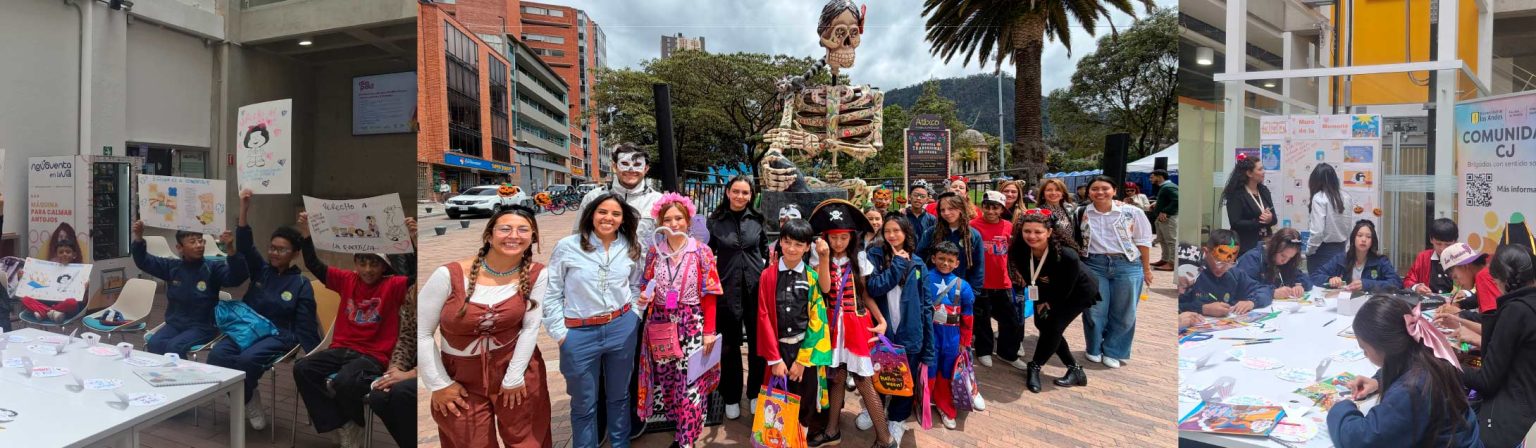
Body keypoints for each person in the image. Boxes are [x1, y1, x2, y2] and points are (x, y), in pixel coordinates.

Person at [422, 207, 552, 448]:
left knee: (528, 441)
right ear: (489, 235)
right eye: (505, 228)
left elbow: (530, 328)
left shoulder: (536, 274)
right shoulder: (448, 275)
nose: (514, 235)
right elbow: (422, 333)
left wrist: (513, 377)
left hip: (515, 368)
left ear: (532, 237)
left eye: (523, 230)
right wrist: (438, 384)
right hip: (459, 378)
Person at [293, 212, 416, 447]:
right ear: (355, 263)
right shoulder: (347, 279)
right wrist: (307, 234)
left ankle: (355, 422)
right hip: (340, 349)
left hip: (373, 356)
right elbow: (314, 265)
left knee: (345, 383)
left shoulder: (393, 285)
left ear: (384, 266)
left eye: (374, 263)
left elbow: (415, 277)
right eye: (363, 262)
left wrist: (413, 239)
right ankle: (342, 423)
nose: (368, 269)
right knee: (303, 369)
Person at [208, 189, 321, 430]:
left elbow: (306, 324)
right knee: (217, 356)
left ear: (295, 254)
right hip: (246, 329)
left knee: (246, 360)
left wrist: (313, 355)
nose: (274, 253)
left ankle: (244, 394)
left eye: (281, 250)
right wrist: (244, 209)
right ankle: (249, 398)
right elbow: (247, 247)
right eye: (272, 247)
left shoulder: (300, 284)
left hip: (279, 335)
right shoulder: (261, 270)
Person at [543, 194, 644, 447]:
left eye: (615, 214)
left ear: (622, 220)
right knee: (583, 403)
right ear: (591, 214)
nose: (608, 218)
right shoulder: (568, 245)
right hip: (579, 333)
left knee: (620, 396)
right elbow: (552, 292)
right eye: (602, 212)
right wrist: (560, 333)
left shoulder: (629, 246)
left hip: (621, 328)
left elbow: (634, 285)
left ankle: (621, 443)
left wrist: (634, 315)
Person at [579, 144, 664, 440]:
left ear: (646, 168)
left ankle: (631, 414)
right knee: (598, 360)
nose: (630, 169)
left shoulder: (658, 202)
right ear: (614, 165)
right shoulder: (594, 198)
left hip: (641, 294)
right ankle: (599, 417)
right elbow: (579, 240)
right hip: (598, 293)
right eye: (624, 163)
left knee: (632, 357)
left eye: (637, 164)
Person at [1326, 294, 1481, 447]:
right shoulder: (1427, 350)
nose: (1365, 354)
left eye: (1364, 348)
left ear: (1384, 347)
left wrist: (1341, 408)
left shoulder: (1412, 388)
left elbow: (1363, 440)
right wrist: (1377, 381)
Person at [635, 194, 723, 448]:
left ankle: (686, 439)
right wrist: (645, 296)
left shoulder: (701, 252)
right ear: (660, 222)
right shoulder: (654, 252)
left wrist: (709, 331)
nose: (674, 223)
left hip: (692, 324)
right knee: (669, 382)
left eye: (679, 218)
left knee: (691, 383)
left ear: (688, 221)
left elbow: (710, 294)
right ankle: (679, 429)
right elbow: (646, 283)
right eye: (668, 219)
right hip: (661, 324)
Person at [803, 199, 892, 448]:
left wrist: (882, 320)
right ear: (826, 237)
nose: (838, 242)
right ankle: (832, 431)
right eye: (833, 237)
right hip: (831, 326)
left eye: (843, 237)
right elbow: (824, 288)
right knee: (837, 377)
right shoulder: (819, 256)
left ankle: (885, 438)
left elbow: (865, 295)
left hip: (855, 326)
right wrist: (822, 257)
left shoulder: (860, 259)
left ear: (851, 238)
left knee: (863, 380)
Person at [1452, 245, 1536, 447]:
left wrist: (1448, 364)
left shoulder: (1515, 311)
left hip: (1514, 420)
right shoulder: (1526, 306)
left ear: (1499, 281)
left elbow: (1487, 381)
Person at [755, 218, 832, 434]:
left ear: (808, 247)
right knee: (777, 400)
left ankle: (800, 436)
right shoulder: (767, 276)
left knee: (805, 398)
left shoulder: (812, 277)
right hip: (777, 350)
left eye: (799, 244)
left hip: (803, 350)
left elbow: (817, 320)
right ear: (779, 242)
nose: (792, 248)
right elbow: (763, 316)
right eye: (787, 242)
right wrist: (775, 359)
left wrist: (802, 361)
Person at [1010, 208, 1098, 393]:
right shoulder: (1019, 250)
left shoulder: (1066, 254)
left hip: (1077, 292)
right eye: (1027, 231)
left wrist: (1048, 301)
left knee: (1053, 327)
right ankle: (1075, 370)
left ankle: (1034, 366)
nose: (1032, 236)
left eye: (1038, 232)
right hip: (1043, 290)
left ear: (1049, 232)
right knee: (1042, 324)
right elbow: (1030, 278)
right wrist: (1041, 298)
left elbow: (1066, 287)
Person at [863, 215, 934, 445]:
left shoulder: (918, 263)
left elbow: (925, 305)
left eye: (897, 230)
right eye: (888, 231)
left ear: (906, 233)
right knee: (878, 371)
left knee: (905, 378)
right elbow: (873, 288)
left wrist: (928, 346)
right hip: (883, 328)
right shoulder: (875, 255)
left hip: (910, 330)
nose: (892, 235)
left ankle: (897, 418)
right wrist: (897, 265)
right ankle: (873, 410)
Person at [131, 221, 249, 357]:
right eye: (192, 242)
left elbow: (237, 278)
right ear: (179, 248)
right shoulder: (172, 267)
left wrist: (230, 249)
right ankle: (162, 377)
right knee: (154, 343)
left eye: (201, 241)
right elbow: (143, 261)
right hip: (175, 324)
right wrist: (139, 237)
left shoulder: (212, 268)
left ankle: (182, 377)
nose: (199, 245)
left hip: (202, 327)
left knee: (173, 347)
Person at [1074, 176, 1154, 369]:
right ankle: (1093, 347)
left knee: (1125, 311)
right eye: (1095, 189)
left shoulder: (1132, 212)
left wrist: (1146, 268)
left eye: (1105, 188)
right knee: (1094, 310)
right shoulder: (1081, 212)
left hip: (1127, 264)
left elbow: (1143, 241)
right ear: (1088, 192)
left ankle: (1114, 350)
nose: (1099, 192)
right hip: (1094, 263)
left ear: (1114, 190)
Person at [705, 176, 768, 420]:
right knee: (729, 346)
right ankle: (731, 395)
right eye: (736, 191)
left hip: (755, 289)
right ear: (728, 192)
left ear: (751, 195)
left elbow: (763, 249)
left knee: (757, 344)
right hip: (726, 290)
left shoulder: (757, 219)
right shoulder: (715, 222)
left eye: (745, 192)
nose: (740, 196)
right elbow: (708, 254)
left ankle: (754, 392)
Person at [924, 241, 976, 430]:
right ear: (933, 259)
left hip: (952, 337)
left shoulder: (964, 287)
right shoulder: (924, 279)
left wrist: (965, 342)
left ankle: (945, 407)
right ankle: (923, 405)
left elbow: (968, 317)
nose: (945, 263)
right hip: (930, 335)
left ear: (957, 263)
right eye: (941, 259)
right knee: (928, 372)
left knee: (947, 373)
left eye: (949, 260)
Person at [970, 191, 1022, 371]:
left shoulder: (1008, 226)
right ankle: (984, 351)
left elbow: (1014, 253)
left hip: (1003, 281)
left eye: (995, 207)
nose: (991, 211)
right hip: (981, 281)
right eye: (987, 206)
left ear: (1001, 209)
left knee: (1011, 320)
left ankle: (1007, 353)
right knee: (982, 320)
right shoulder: (972, 226)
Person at [370, 285, 421, 448]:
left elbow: (448, 351)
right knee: (378, 396)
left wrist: (411, 374)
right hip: (418, 366)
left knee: (402, 393)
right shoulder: (414, 291)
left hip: (451, 368)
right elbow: (407, 338)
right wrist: (395, 370)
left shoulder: (455, 289)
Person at [1179, 229, 1270, 316]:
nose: (1223, 268)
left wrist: (1252, 302)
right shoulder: (1192, 273)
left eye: (1229, 263)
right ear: (1206, 252)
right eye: (1218, 262)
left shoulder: (1234, 274)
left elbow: (1264, 290)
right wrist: (1202, 308)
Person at [16, 225, 92, 323]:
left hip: (67, 307)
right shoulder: (48, 268)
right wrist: (22, 278)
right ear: (57, 254)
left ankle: (44, 312)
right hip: (48, 301)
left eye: (68, 252)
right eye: (61, 252)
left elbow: (82, 300)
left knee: (71, 302)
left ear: (74, 255)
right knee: (25, 299)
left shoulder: (82, 271)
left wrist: (86, 289)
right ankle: (52, 312)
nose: (64, 254)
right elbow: (33, 285)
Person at [1309, 220, 1401, 293]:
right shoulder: (1341, 259)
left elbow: (1396, 283)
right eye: (1359, 235)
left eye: (1368, 237)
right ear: (1353, 239)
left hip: (1371, 304)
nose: (1363, 240)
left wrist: (1367, 284)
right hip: (1343, 302)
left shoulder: (1381, 261)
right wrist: (1330, 280)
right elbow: (1315, 276)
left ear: (1373, 241)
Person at [917, 193, 984, 292]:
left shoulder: (972, 235)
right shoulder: (932, 232)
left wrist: (974, 292)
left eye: (951, 208)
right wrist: (918, 282)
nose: (946, 213)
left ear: (960, 209)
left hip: (960, 290)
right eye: (942, 210)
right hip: (932, 289)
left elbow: (978, 268)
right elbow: (918, 260)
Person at [1233, 228, 1311, 301]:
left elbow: (1305, 279)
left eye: (1290, 257)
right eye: (1283, 255)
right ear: (1274, 247)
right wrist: (1272, 292)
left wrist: (1299, 285)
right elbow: (1243, 289)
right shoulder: (1252, 259)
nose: (1285, 261)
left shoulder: (1286, 262)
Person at [1433, 243, 1504, 320]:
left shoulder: (1483, 276)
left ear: (1465, 266)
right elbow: (1480, 299)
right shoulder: (1487, 269)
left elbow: (1492, 321)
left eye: (1455, 277)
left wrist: (1459, 313)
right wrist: (1458, 303)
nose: (1457, 283)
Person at [1222, 156, 1276, 255]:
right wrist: (1260, 222)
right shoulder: (1236, 194)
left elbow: (1274, 218)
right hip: (1246, 246)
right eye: (1260, 169)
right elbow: (1235, 222)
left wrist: (1270, 219)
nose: (1264, 172)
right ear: (1249, 173)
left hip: (1266, 243)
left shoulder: (1264, 191)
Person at [1306, 163, 1352, 268]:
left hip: (1322, 252)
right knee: (1337, 283)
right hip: (1341, 250)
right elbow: (1348, 227)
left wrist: (1309, 251)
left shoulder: (1319, 197)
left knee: (1318, 284)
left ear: (1315, 181)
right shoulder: (1346, 197)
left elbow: (1317, 232)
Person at [1405, 218, 1460, 295]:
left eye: (1448, 244)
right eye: (1438, 243)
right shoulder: (1423, 257)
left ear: (1455, 242)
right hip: (1428, 302)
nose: (1442, 248)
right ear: (1431, 239)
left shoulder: (1462, 258)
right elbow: (1408, 280)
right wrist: (1416, 287)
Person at [1150, 170, 1178, 271]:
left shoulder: (1168, 187)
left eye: (1152, 177)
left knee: (1171, 241)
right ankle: (1165, 259)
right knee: (1163, 240)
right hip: (1163, 218)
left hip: (1168, 218)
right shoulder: (1166, 187)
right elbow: (1170, 199)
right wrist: (1157, 203)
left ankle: (1172, 263)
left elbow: (1177, 199)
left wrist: (1166, 211)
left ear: (1160, 177)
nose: (1150, 179)